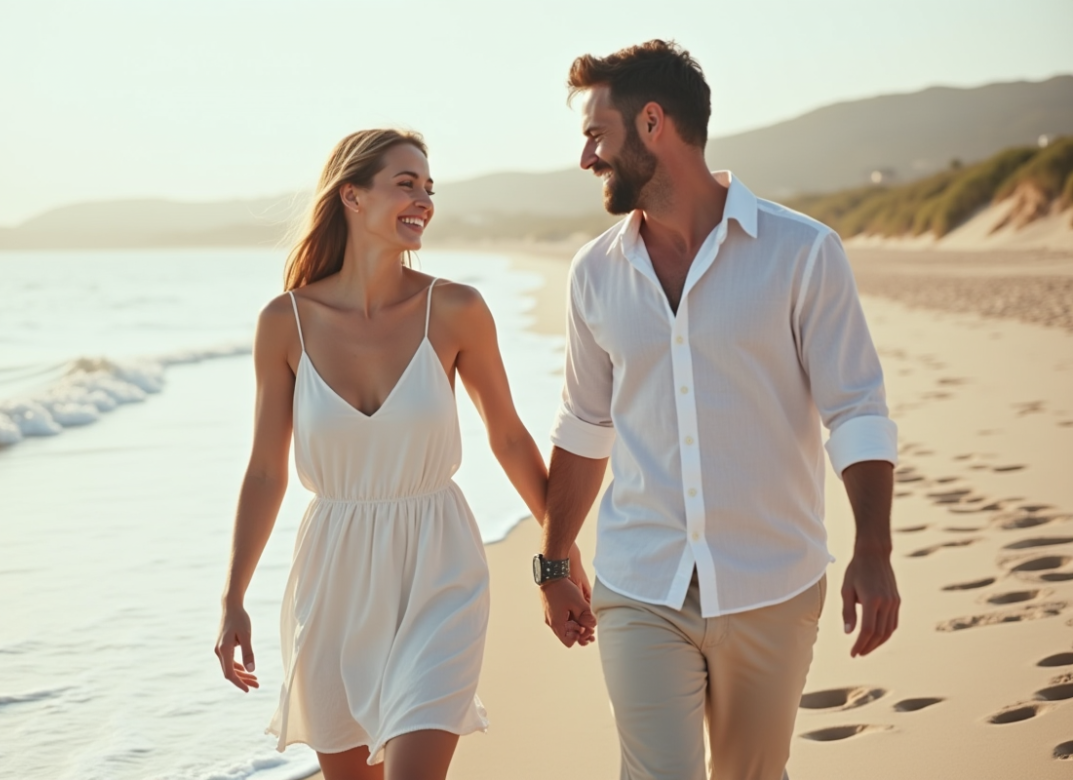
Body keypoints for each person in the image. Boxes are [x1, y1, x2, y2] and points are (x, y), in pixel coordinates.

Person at [534, 41, 901, 779]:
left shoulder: (802, 252)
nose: (585, 158)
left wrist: (874, 548)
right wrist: (552, 563)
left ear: (652, 124)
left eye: (594, 135)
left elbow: (856, 409)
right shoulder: (595, 274)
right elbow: (584, 424)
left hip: (772, 579)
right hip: (639, 583)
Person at [214, 128, 589, 780]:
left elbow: (507, 436)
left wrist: (560, 559)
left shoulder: (455, 309)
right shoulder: (285, 322)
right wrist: (233, 597)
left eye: (429, 189)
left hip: (437, 565)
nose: (423, 200)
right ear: (352, 196)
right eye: (406, 184)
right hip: (332, 576)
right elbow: (266, 470)